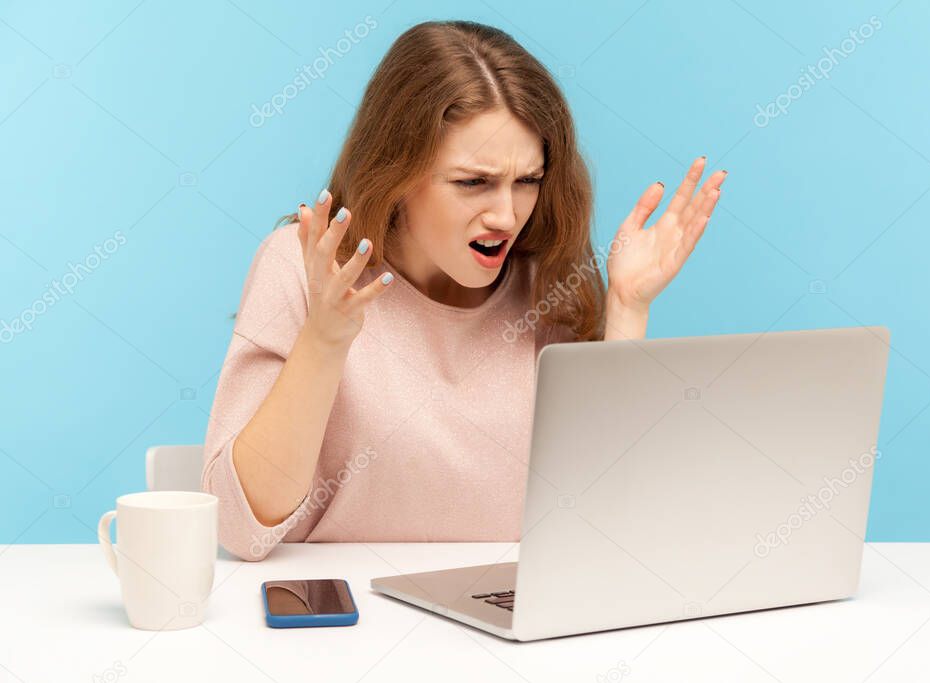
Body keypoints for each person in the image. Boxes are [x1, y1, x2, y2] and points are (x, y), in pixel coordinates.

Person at [201, 20, 726, 562]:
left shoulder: (545, 285)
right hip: (344, 624)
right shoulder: (305, 266)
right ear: (397, 174)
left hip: (509, 619)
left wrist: (627, 308)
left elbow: (604, 515)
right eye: (473, 182)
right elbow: (244, 529)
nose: (506, 215)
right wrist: (324, 341)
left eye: (527, 180)